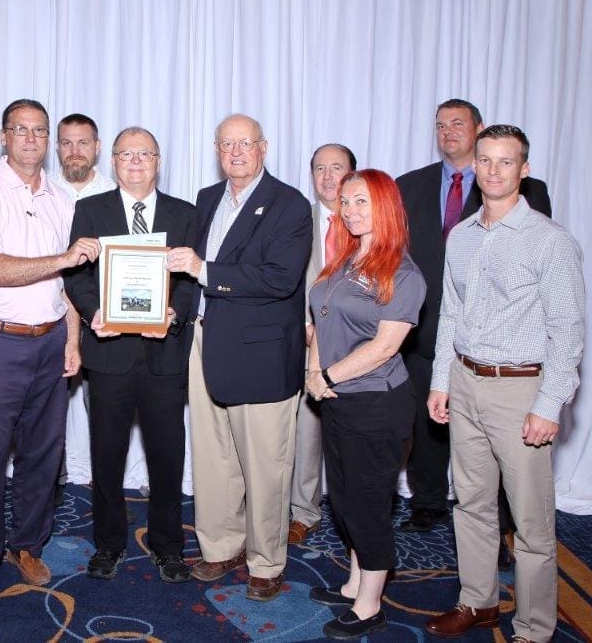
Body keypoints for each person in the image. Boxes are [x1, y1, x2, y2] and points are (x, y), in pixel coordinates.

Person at [424, 125, 584, 643]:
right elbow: (451, 313)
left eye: (505, 162)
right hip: (465, 382)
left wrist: (550, 404)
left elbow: (568, 332)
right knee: (470, 502)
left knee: (531, 523)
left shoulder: (551, 241)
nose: (493, 171)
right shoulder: (463, 236)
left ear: (524, 169)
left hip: (521, 391)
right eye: (485, 161)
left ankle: (535, 628)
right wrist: (440, 381)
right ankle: (478, 601)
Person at [0, 98, 100, 611]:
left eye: (40, 131)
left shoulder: (61, 199)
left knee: (43, 454)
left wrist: (73, 339)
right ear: (3, 136)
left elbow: (68, 284)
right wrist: (64, 256)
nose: (32, 139)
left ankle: (27, 546)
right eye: (22, 130)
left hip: (49, 341)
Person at [167, 114, 312, 602]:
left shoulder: (290, 205)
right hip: (206, 343)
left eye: (244, 144)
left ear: (263, 148)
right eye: (226, 144)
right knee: (212, 457)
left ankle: (266, 559)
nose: (235, 153)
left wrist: (204, 269)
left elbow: (279, 279)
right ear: (215, 149)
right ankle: (220, 547)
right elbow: (190, 277)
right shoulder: (208, 200)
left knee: (265, 464)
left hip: (261, 354)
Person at [396, 98, 552, 536]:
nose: (448, 131)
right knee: (427, 420)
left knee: (500, 444)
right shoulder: (410, 184)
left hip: (500, 340)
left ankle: (504, 524)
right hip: (425, 326)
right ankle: (426, 501)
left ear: (478, 130)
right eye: (440, 124)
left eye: (458, 123)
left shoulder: (528, 192)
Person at [64, 127, 197, 582]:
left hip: (164, 354)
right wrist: (93, 309)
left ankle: (168, 546)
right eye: (126, 154)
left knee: (167, 455)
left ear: (158, 161)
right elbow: (76, 275)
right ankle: (109, 543)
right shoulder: (89, 210)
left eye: (145, 154)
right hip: (109, 353)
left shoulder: (185, 213)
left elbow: (193, 280)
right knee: (106, 455)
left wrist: (173, 313)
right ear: (114, 161)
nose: (136, 162)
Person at [305, 169, 426, 639]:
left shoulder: (402, 272)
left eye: (363, 203)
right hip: (337, 399)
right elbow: (319, 319)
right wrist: (315, 372)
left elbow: (384, 348)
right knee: (346, 499)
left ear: (386, 207)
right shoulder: (346, 258)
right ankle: (355, 582)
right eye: (346, 202)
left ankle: (371, 604)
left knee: (369, 504)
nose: (351, 211)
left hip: (376, 404)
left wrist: (327, 376)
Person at [289, 142, 358, 546]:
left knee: (355, 439)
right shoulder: (298, 219)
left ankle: (357, 517)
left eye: (337, 168)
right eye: (319, 169)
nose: (328, 177)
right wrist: (303, 324)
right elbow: (287, 281)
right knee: (306, 434)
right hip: (306, 346)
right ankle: (305, 512)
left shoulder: (369, 221)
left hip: (360, 352)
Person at [50, 113, 118, 506]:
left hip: (101, 318)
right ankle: (52, 479)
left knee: (104, 406)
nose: (74, 151)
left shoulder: (115, 191)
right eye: (67, 142)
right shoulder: (41, 191)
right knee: (51, 405)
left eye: (83, 143)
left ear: (96, 147)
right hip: (50, 314)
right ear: (57, 147)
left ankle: (104, 479)